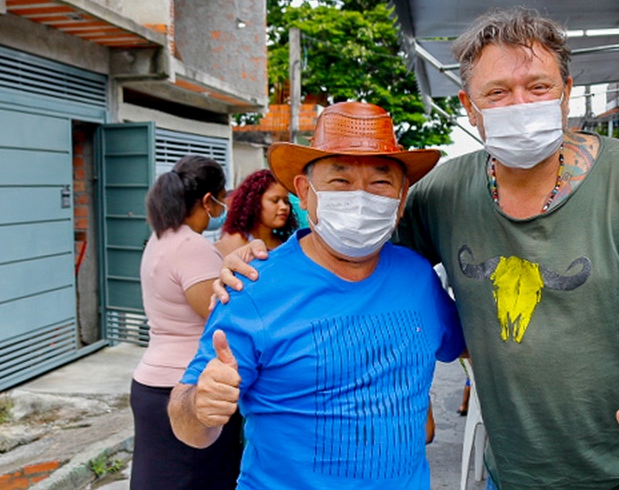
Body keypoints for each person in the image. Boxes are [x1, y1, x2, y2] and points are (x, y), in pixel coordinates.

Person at [216, 8, 619, 490]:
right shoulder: (444, 193)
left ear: (566, 92)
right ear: (469, 106)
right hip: (514, 475)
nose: (519, 105)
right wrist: (262, 261)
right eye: (497, 93)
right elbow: (355, 255)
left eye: (538, 87)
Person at [168, 102, 465, 489]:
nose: (361, 196)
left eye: (380, 183)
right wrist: (200, 405)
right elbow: (188, 426)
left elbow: (472, 345)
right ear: (305, 192)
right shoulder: (251, 287)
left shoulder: (418, 277)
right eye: (340, 180)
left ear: (402, 197)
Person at [132, 155, 242, 490]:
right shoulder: (193, 248)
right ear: (208, 201)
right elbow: (221, 318)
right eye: (222, 198)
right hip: (187, 389)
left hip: (152, 383)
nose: (224, 207)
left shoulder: (160, 238)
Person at [216, 169, 298, 256]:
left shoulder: (286, 242)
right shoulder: (235, 242)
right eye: (275, 200)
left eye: (286, 201)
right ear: (254, 203)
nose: (284, 207)